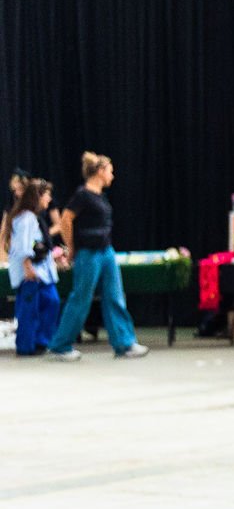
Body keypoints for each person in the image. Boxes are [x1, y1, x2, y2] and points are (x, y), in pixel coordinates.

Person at [48, 152, 146, 362]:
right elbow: (66, 220)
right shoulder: (82, 195)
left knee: (115, 296)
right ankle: (60, 345)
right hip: (88, 253)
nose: (113, 175)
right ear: (100, 171)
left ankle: (124, 343)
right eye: (110, 171)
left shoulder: (100, 196)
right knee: (81, 298)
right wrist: (72, 247)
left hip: (106, 251)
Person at [7, 178, 59, 355]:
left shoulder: (35, 218)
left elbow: (39, 243)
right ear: (38, 197)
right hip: (30, 273)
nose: (49, 199)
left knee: (51, 301)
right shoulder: (25, 218)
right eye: (47, 195)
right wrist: (27, 265)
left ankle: (41, 341)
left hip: (42, 271)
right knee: (29, 310)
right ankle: (26, 345)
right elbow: (22, 245)